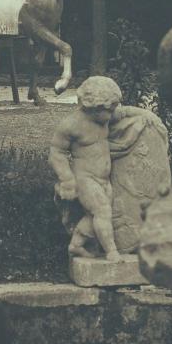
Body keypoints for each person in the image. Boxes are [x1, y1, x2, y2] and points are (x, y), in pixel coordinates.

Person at [52, 77, 122, 259]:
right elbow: (56, 153)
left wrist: (145, 117)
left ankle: (76, 245)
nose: (112, 114)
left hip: (104, 180)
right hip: (85, 179)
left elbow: (124, 114)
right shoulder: (71, 124)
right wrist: (67, 179)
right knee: (102, 211)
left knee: (96, 215)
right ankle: (111, 251)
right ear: (93, 107)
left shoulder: (103, 118)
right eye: (109, 110)